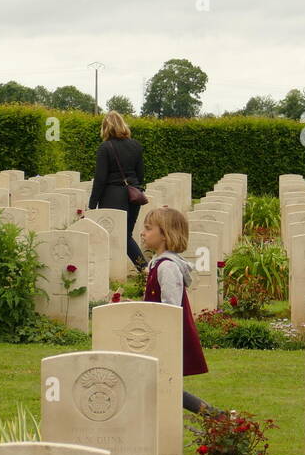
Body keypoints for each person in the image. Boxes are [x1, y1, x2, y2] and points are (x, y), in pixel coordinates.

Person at [140, 205, 217, 415]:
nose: (142, 232)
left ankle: (216, 417)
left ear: (164, 234)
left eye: (148, 228)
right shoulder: (158, 264)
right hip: (156, 333)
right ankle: (216, 417)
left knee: (166, 385)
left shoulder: (168, 267)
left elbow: (170, 309)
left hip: (165, 335)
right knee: (161, 384)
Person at [88, 110, 146, 273]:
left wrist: (92, 205)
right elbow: (140, 175)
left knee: (119, 237)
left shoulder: (105, 147)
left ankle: (145, 269)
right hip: (134, 195)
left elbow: (100, 179)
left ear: (106, 128)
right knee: (126, 235)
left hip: (112, 197)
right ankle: (144, 269)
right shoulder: (136, 146)